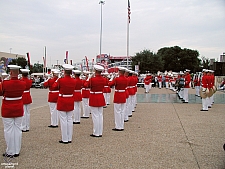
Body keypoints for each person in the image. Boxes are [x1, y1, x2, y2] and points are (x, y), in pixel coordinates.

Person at [1, 65, 26, 157]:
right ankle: (16, 150)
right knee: (17, 129)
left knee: (8, 130)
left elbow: (1, 92)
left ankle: (10, 151)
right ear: (18, 73)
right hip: (18, 107)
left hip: (8, 108)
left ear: (10, 72)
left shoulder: (5, 83)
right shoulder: (22, 83)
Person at [52, 64, 76, 144]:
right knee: (69, 119)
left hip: (62, 100)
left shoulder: (61, 80)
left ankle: (64, 138)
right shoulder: (74, 80)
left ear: (64, 71)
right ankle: (69, 138)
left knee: (63, 120)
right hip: (70, 99)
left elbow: (54, 86)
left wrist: (58, 78)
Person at [84, 65, 106, 137]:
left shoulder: (92, 79)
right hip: (100, 96)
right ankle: (100, 132)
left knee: (95, 116)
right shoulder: (103, 79)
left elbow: (85, 85)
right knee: (100, 115)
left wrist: (88, 78)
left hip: (94, 97)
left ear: (95, 71)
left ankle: (96, 132)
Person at [109, 67, 128, 131]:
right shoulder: (126, 79)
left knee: (117, 111)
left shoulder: (117, 79)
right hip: (123, 94)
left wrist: (112, 78)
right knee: (122, 111)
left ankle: (118, 126)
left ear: (119, 72)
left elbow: (110, 84)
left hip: (118, 95)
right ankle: (121, 125)